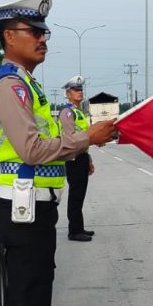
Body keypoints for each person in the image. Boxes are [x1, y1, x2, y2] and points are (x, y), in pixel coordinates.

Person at [0, 0, 118, 306]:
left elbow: (54, 137)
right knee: (26, 305)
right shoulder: (10, 85)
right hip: (22, 209)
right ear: (9, 36)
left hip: (35, 208)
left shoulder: (30, 86)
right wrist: (84, 141)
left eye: (44, 33)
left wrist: (91, 136)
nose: (43, 39)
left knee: (30, 301)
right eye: (34, 32)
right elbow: (32, 150)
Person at [58, 76, 96, 242]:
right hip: (73, 158)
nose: (79, 93)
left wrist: (88, 159)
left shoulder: (79, 112)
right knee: (75, 195)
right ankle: (74, 231)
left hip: (82, 156)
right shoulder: (67, 112)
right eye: (75, 90)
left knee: (80, 195)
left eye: (81, 90)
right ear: (68, 93)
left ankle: (79, 227)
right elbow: (71, 137)